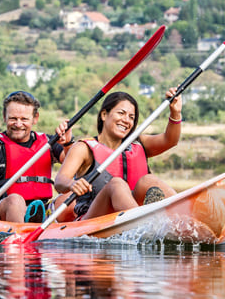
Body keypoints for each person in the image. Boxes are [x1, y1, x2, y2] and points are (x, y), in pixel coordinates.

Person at [54, 89, 182, 220]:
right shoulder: (83, 148)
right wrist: (71, 184)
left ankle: (185, 214)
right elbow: (59, 182)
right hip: (93, 218)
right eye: (121, 113)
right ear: (104, 115)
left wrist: (175, 112)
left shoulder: (139, 144)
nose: (126, 120)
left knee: (148, 180)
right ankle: (145, 225)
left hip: (130, 213)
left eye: (131, 117)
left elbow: (170, 140)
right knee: (116, 184)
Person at [0, 90, 74, 224]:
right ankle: (19, 236)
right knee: (15, 201)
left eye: (24, 119)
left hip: (42, 208)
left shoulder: (48, 143)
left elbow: (74, 164)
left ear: (35, 118)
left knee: (72, 198)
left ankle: (63, 230)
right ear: (4, 116)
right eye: (13, 118)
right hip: (3, 209)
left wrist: (67, 144)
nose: (18, 124)